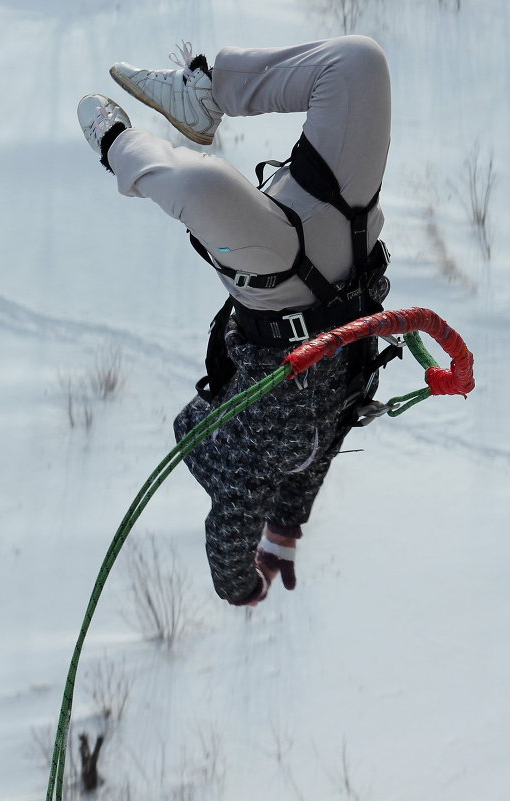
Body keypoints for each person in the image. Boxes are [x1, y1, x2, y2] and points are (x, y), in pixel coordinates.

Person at [77, 36, 394, 606]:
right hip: (347, 231)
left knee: (203, 187)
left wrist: (242, 587)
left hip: (277, 281)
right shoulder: (311, 438)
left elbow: (227, 530)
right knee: (359, 65)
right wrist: (286, 531)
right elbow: (323, 448)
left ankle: (118, 146)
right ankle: (206, 91)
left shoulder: (253, 453)